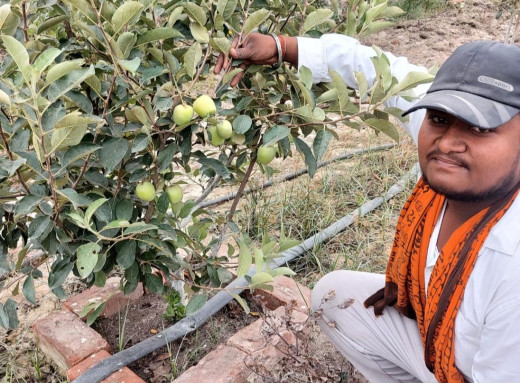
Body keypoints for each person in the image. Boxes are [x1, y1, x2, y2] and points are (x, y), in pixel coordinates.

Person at [215, 32, 520, 383]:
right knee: (334, 297)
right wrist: (281, 47)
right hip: (443, 346)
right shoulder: (456, 154)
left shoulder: (512, 262)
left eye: (480, 127)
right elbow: (374, 68)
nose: (448, 142)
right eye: (438, 118)